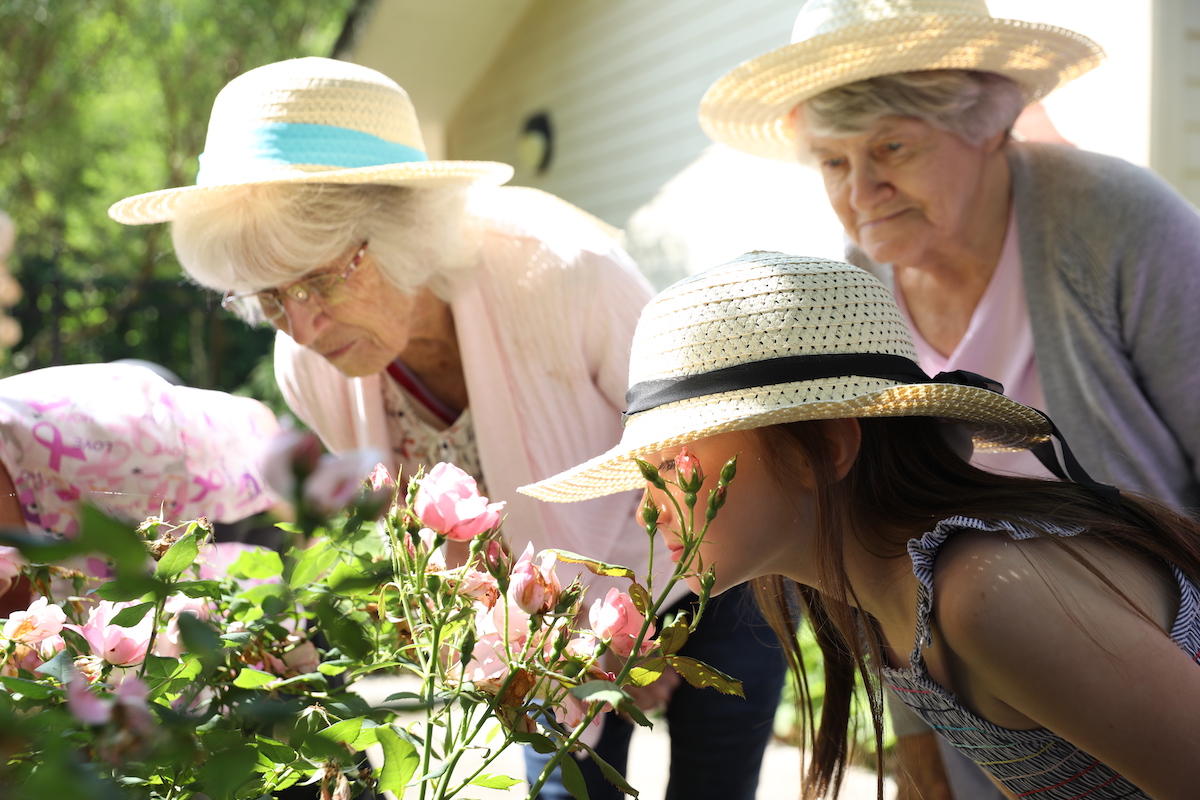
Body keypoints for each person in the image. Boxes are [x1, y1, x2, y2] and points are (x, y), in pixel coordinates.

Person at [107, 57, 785, 800]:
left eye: (320, 279)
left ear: (405, 228)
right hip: (551, 629)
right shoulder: (311, 364)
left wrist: (641, 632)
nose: (300, 326)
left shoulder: (566, 274)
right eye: (269, 298)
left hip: (713, 577)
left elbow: (702, 449)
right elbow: (433, 540)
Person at [698, 1, 1200, 795]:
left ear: (988, 124)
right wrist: (917, 738)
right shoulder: (857, 290)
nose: (862, 192)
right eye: (833, 163)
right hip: (996, 727)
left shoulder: (1114, 219)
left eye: (891, 146)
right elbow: (875, 535)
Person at [521, 251, 1200, 800]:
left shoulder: (983, 593)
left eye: (674, 460)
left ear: (829, 448)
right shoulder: (882, 601)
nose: (647, 506)